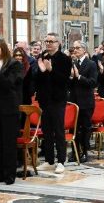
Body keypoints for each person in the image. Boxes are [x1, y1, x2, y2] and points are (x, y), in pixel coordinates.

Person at [0, 39, 23, 184]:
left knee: (8, 142)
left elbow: (9, 84)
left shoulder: (14, 64)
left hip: (9, 107)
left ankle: (9, 175)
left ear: (4, 49)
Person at [35, 33, 71, 174]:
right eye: (46, 41)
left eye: (51, 41)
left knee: (58, 130)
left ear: (58, 43)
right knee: (47, 131)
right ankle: (49, 160)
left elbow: (64, 80)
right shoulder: (43, 56)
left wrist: (51, 70)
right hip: (45, 100)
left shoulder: (64, 59)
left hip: (58, 99)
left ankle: (61, 161)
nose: (48, 43)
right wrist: (42, 70)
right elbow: (38, 80)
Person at [68, 41, 98, 162]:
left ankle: (85, 152)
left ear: (84, 50)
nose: (75, 50)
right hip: (74, 101)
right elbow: (69, 85)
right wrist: (71, 77)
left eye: (78, 48)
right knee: (73, 128)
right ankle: (75, 152)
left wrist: (79, 77)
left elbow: (93, 83)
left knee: (85, 128)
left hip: (86, 101)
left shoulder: (91, 64)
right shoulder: (73, 63)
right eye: (74, 48)